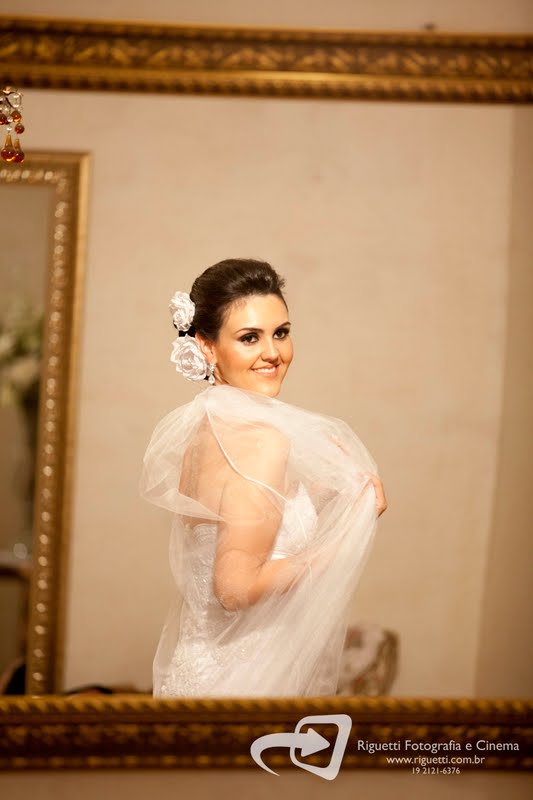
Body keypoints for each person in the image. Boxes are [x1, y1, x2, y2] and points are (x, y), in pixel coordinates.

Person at [139, 258, 387, 697]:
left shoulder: (205, 431)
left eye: (281, 333)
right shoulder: (260, 440)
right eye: (249, 338)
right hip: (241, 686)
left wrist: (321, 498)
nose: (273, 353)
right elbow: (235, 588)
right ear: (207, 347)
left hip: (198, 675)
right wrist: (344, 536)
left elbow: (243, 526)